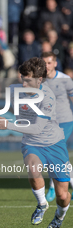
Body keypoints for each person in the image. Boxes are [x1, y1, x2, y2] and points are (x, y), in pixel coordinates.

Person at [0, 57, 71, 228]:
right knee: (33, 168)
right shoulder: (15, 90)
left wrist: (8, 125)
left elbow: (37, 128)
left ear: (39, 80)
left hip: (54, 144)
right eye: (22, 78)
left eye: (28, 80)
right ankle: (42, 204)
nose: (23, 83)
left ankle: (59, 217)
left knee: (62, 195)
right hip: (32, 143)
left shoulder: (48, 98)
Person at [41, 52, 73, 202]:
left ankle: (54, 187)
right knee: (55, 155)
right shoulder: (39, 80)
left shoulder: (65, 79)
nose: (46, 66)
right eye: (44, 63)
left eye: (49, 63)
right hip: (48, 124)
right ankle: (55, 186)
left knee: (55, 152)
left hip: (65, 121)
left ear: (55, 63)